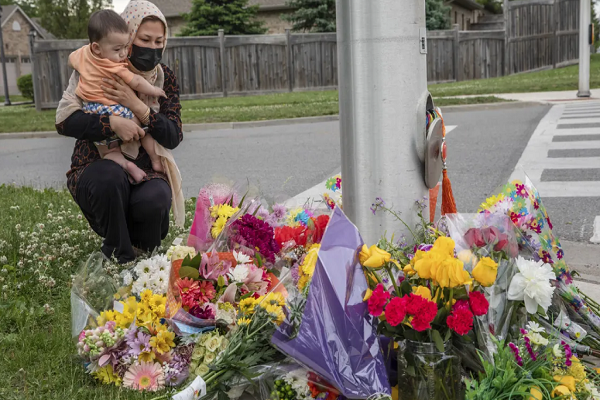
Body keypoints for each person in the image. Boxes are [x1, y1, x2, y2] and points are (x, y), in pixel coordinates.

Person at [56, 1, 184, 263]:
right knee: (109, 178)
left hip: (145, 169)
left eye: (159, 41)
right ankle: (118, 253)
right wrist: (112, 124)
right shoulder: (94, 66)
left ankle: (144, 252)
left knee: (156, 197)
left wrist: (137, 105)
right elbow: (65, 121)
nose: (152, 47)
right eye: (144, 39)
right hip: (97, 164)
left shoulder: (164, 77)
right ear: (129, 34)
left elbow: (173, 135)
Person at [69, 9, 167, 183]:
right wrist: (154, 90)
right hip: (116, 110)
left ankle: (126, 165)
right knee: (144, 130)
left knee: (108, 151)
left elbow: (71, 60)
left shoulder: (82, 56)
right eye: (117, 49)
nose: (123, 54)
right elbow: (137, 82)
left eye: (125, 47)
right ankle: (155, 159)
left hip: (93, 112)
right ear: (96, 48)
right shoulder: (114, 67)